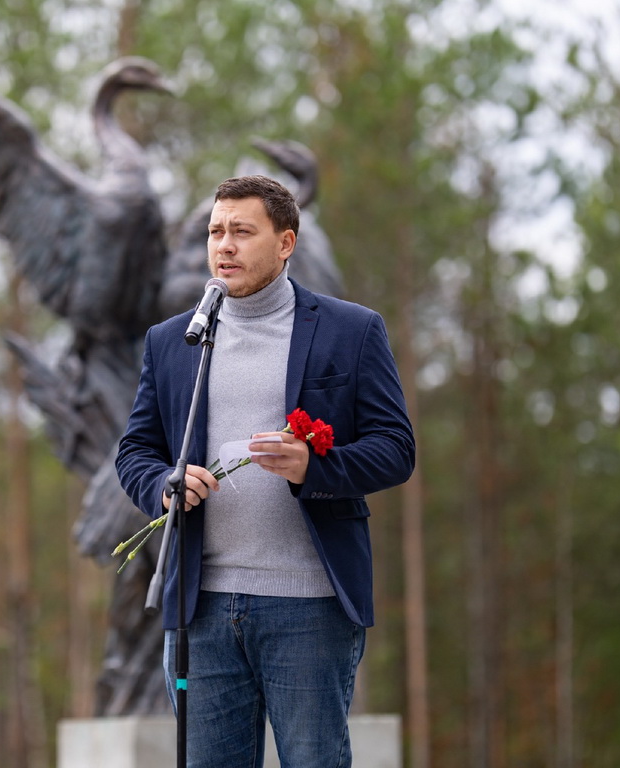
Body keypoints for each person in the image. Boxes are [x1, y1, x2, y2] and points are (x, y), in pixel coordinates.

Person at [115, 174, 415, 768]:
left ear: (285, 243)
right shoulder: (174, 341)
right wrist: (165, 487)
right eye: (215, 232)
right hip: (200, 609)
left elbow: (395, 449)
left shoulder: (352, 330)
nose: (224, 245)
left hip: (310, 607)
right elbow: (136, 452)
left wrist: (314, 466)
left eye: (242, 231)